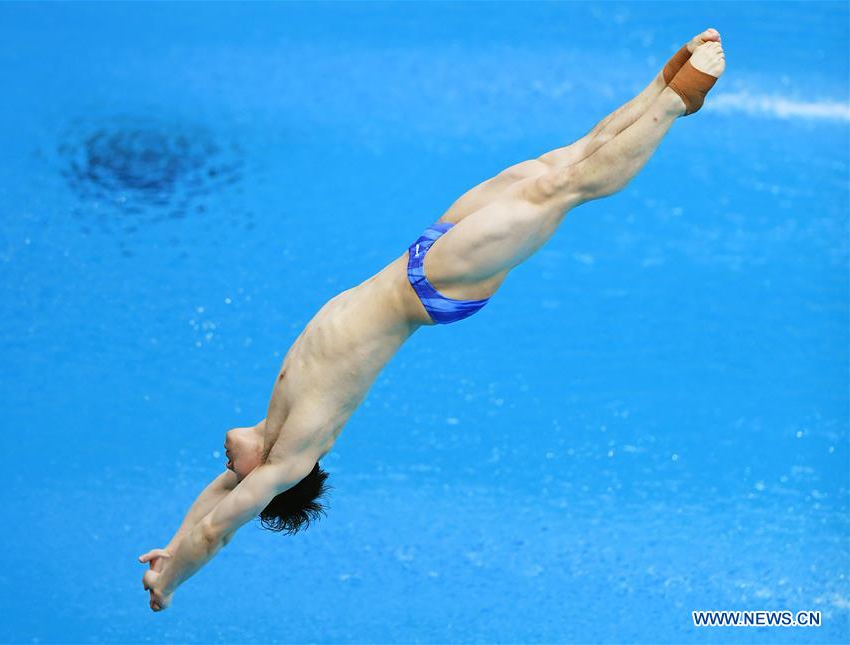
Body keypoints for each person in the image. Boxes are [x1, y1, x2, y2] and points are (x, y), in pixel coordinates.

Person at [139, 29, 725, 611]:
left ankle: (660, 87)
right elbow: (217, 528)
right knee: (562, 188)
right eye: (233, 479)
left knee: (558, 162)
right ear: (261, 481)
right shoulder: (290, 455)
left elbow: (207, 509)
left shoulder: (271, 430)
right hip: (435, 286)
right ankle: (678, 101)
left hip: (425, 255)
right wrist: (173, 581)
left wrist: (168, 547)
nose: (222, 471)